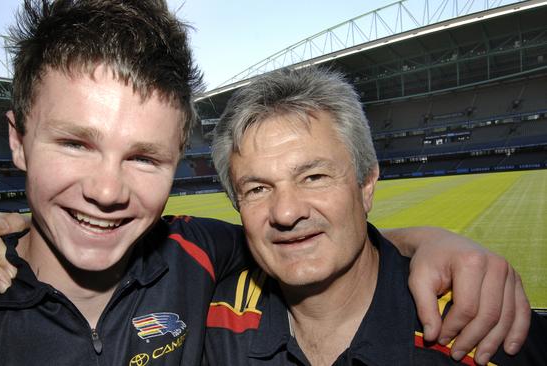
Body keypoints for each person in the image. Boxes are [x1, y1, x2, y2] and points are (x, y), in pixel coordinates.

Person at [0, 0, 530, 365]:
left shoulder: (200, 255)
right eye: (75, 143)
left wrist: (436, 243)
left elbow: (312, 244)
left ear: (180, 161)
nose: (106, 190)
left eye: (144, 157)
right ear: (17, 139)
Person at [204, 67, 546, 365]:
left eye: (314, 177)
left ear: (366, 184)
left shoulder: (482, 331)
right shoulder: (210, 322)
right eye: (257, 189)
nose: (286, 212)